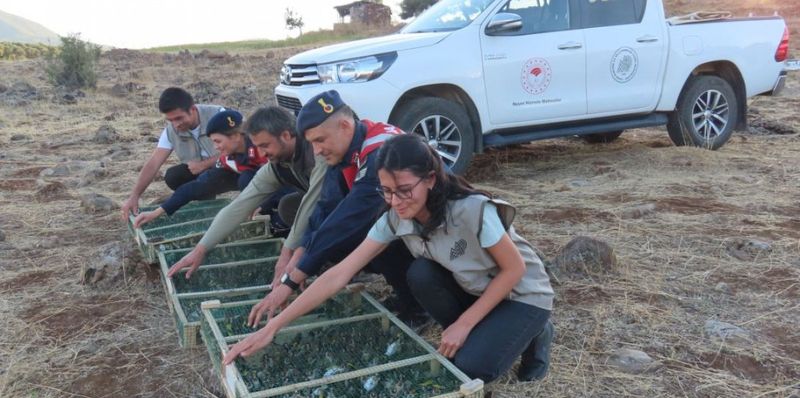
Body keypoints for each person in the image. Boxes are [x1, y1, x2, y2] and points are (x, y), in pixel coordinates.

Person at [223, 133, 556, 383]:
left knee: (469, 369)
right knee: (421, 274)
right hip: (477, 288)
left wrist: (464, 324)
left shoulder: (470, 210)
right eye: (386, 191)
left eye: (404, 190)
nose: (395, 201)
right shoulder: (396, 217)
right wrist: (273, 328)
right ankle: (484, 329)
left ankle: (537, 330)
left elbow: (515, 269)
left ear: (430, 178)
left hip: (520, 293)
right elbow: (339, 274)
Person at [166, 105, 324, 282]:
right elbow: (239, 205)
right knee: (288, 207)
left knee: (304, 215)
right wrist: (200, 249)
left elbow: (313, 202)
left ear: (286, 136)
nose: (262, 154)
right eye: (258, 147)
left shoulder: (316, 152)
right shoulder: (276, 165)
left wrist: (287, 252)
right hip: (322, 204)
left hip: (347, 205)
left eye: (265, 146)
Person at [133, 109, 285, 228]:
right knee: (214, 180)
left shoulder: (264, 149)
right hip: (260, 187)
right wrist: (159, 211)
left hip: (288, 191)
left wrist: (264, 204)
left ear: (236, 136)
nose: (215, 147)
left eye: (218, 141)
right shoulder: (228, 158)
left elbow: (286, 180)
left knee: (249, 180)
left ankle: (275, 220)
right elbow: (197, 186)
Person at [120, 87, 224, 221]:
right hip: (203, 174)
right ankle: (205, 206)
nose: (176, 125)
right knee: (173, 176)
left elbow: (241, 148)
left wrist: (204, 165)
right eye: (171, 120)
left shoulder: (219, 115)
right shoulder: (171, 131)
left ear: (192, 109)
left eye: (179, 118)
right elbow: (154, 163)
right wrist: (134, 196)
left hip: (227, 169)